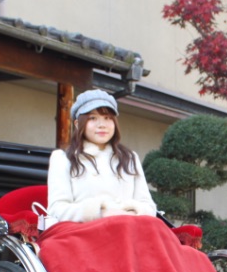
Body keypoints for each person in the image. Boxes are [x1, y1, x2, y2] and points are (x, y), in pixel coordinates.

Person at [46, 89, 157, 222]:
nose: (102, 125)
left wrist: (129, 213)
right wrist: (100, 212)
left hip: (129, 227)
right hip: (85, 232)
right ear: (77, 124)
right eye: (93, 118)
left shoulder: (129, 158)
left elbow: (148, 206)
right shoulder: (63, 158)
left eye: (108, 118)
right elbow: (57, 209)